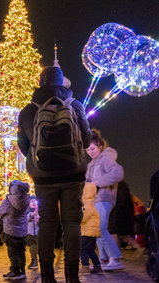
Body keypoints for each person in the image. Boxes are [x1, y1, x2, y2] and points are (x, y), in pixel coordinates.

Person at [18, 66, 92, 283]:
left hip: (43, 176)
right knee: (72, 223)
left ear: (41, 82)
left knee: (47, 223)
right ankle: (72, 276)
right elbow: (86, 140)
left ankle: (47, 276)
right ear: (62, 83)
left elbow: (23, 146)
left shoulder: (28, 110)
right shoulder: (75, 106)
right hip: (73, 174)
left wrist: (39, 159)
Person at [86, 130, 124, 270]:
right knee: (95, 229)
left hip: (105, 198)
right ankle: (103, 258)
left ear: (100, 146)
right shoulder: (90, 165)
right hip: (94, 201)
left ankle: (115, 258)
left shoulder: (106, 158)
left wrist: (97, 183)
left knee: (100, 227)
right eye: (88, 149)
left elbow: (118, 173)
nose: (90, 151)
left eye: (93, 148)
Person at [0, 180, 30, 280]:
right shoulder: (26, 200)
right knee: (21, 250)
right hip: (22, 230)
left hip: (10, 230)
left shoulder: (8, 201)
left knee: (13, 251)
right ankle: (21, 270)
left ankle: (15, 271)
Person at [80, 183, 101, 274]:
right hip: (92, 231)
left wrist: (76, 219)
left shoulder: (87, 205)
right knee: (90, 249)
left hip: (87, 232)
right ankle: (97, 265)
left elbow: (83, 218)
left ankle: (85, 267)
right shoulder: (91, 204)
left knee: (82, 249)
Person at [27, 196, 39, 270]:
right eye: (32, 201)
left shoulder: (39, 212)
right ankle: (34, 261)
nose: (34, 202)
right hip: (30, 233)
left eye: (35, 201)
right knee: (32, 248)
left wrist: (38, 219)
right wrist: (32, 215)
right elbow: (26, 219)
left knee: (39, 248)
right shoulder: (27, 212)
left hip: (38, 233)